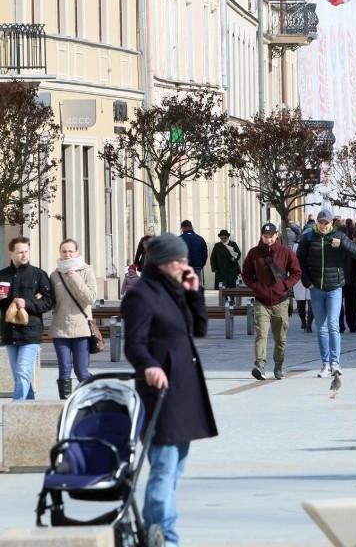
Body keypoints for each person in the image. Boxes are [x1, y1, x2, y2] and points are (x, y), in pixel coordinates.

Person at [121, 233, 217, 547]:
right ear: (162, 262)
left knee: (175, 469)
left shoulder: (173, 290)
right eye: (179, 260)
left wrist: (193, 291)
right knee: (163, 468)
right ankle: (164, 537)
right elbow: (134, 344)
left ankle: (155, 533)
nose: (184, 265)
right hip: (159, 392)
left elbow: (199, 328)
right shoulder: (141, 295)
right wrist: (148, 365)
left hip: (185, 390)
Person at [296, 209, 356, 378]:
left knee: (333, 324)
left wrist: (343, 244)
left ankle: (335, 363)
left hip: (334, 288)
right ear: (317, 223)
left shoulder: (339, 236)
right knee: (322, 328)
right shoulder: (308, 238)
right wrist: (307, 282)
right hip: (316, 288)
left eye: (327, 223)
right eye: (321, 223)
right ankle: (325, 364)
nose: (324, 226)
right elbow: (299, 262)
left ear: (332, 223)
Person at [242, 223, 302, 380]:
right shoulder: (254, 253)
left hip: (280, 301)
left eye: (271, 237)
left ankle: (278, 366)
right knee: (261, 334)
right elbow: (246, 274)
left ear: (276, 236)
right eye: (265, 237)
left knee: (280, 338)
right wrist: (257, 287)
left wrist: (285, 285)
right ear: (261, 236)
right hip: (261, 301)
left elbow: (296, 272)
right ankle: (260, 365)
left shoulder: (285, 252)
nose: (268, 240)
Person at [0, 237, 53, 400]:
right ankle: (29, 408)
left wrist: (28, 303)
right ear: (11, 253)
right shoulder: (3, 275)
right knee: (19, 375)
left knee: (23, 371)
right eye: (20, 252)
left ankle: (15, 410)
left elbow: (48, 302)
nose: (24, 255)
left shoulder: (38, 274)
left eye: (26, 251)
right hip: (9, 332)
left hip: (31, 332)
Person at [49, 239, 97, 399]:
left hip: (82, 328)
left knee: (81, 371)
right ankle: (65, 405)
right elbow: (52, 301)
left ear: (77, 252)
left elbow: (90, 298)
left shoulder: (87, 270)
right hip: (60, 327)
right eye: (64, 251)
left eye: (70, 251)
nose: (67, 254)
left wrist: (74, 277)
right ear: (59, 253)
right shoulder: (54, 275)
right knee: (64, 369)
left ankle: (91, 400)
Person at [179, 220, 208, 284]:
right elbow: (204, 254)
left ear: (183, 228)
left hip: (183, 268)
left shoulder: (178, 239)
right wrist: (201, 264)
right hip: (197, 267)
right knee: (195, 288)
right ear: (191, 227)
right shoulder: (200, 239)